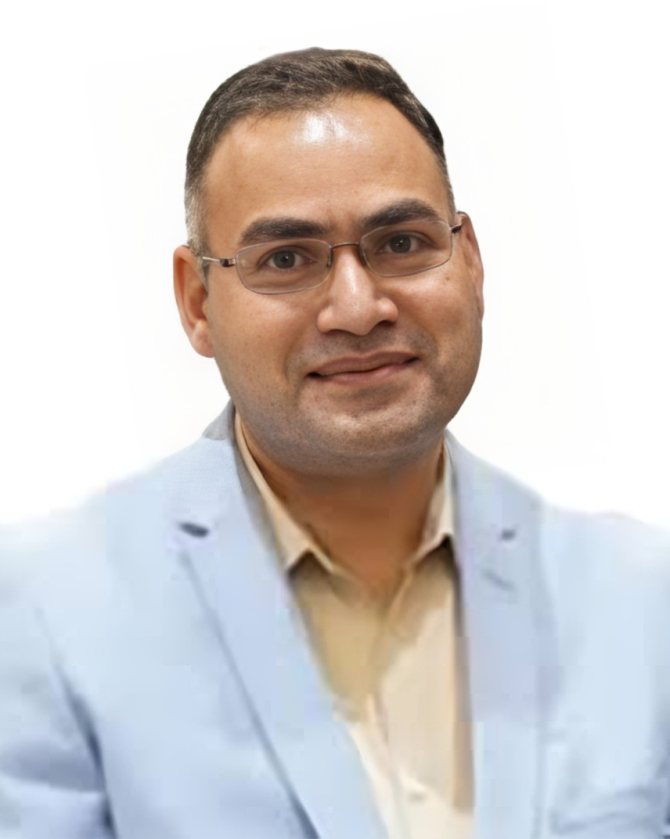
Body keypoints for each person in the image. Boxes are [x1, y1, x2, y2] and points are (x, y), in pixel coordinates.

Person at [1, 47, 669, 839]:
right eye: (286, 259)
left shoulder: (638, 599)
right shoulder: (46, 613)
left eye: (402, 243)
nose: (357, 308)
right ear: (197, 302)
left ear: (472, 262)